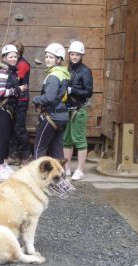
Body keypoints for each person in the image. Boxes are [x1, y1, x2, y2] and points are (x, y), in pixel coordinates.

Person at [0, 44, 28, 180]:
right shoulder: (2, 71)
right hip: (2, 108)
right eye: (10, 56)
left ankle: (4, 163)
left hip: (7, 109)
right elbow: (1, 92)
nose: (13, 59)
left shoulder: (9, 71)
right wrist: (18, 90)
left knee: (7, 138)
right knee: (3, 138)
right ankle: (0, 167)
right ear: (4, 57)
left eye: (15, 56)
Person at [32, 43, 70, 160]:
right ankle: (60, 176)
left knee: (40, 148)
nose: (48, 60)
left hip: (51, 116)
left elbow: (49, 97)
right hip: (61, 116)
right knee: (56, 150)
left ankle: (37, 176)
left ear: (58, 60)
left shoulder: (53, 76)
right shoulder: (62, 73)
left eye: (51, 57)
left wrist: (36, 99)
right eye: (47, 57)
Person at [63, 41, 93, 181]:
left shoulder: (85, 71)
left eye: (77, 54)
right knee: (66, 139)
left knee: (79, 140)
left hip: (79, 110)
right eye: (72, 54)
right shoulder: (67, 69)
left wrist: (72, 90)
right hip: (66, 108)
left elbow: (88, 92)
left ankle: (80, 170)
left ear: (81, 55)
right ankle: (66, 167)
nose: (74, 57)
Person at [7, 40, 31, 167]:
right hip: (14, 99)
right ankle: (14, 155)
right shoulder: (15, 63)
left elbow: (15, 80)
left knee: (20, 129)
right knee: (13, 129)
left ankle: (26, 157)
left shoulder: (23, 64)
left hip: (21, 100)